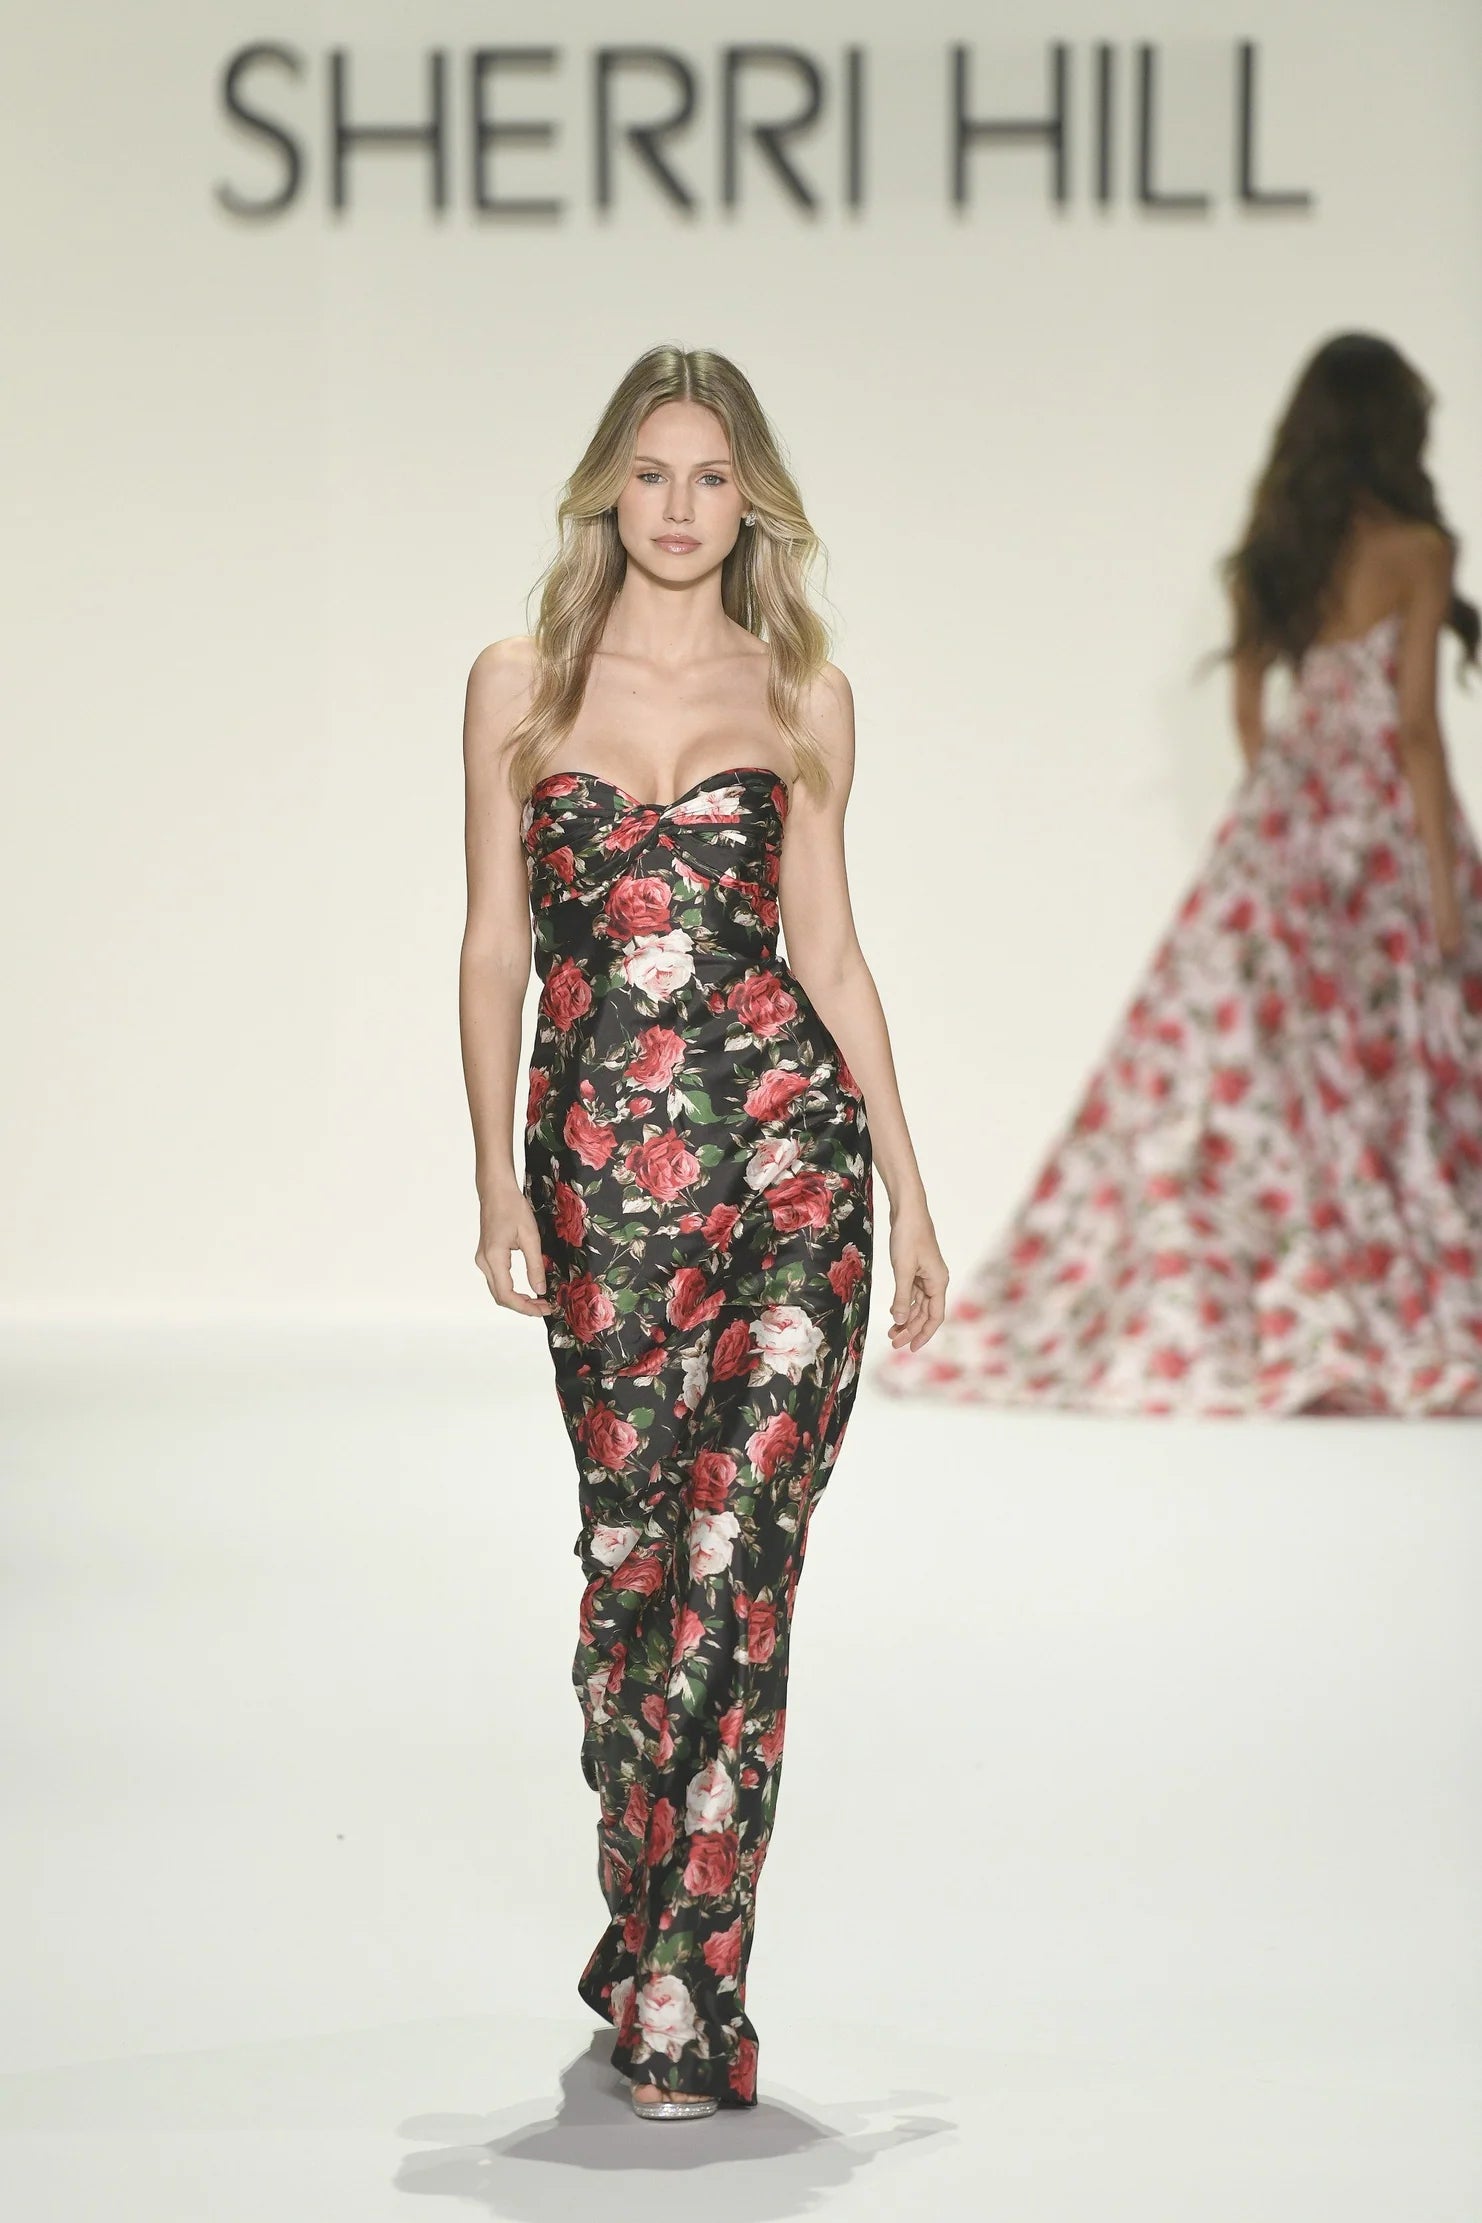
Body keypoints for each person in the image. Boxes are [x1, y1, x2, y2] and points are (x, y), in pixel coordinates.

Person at [458, 345, 948, 2117]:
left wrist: (906, 1185)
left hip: (789, 1164)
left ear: (753, 501)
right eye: (653, 473)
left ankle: (687, 1988)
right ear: (609, 486)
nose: (680, 508)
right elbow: (494, 947)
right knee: (632, 1573)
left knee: (740, 1558)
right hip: (604, 1186)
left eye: (713, 477)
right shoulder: (520, 681)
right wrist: (496, 1180)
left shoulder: (803, 690)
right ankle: (643, 1902)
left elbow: (831, 950)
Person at [879, 330, 1482, 1417]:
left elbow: (1252, 712)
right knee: (1390, 1072)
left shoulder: (1281, 548)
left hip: (1285, 828)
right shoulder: (1419, 550)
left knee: (1257, 1070)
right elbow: (1415, 730)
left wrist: (1279, 816)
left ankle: (1265, 1284)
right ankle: (1370, 1280)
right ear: (1397, 430)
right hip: (1383, 837)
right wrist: (1443, 887)